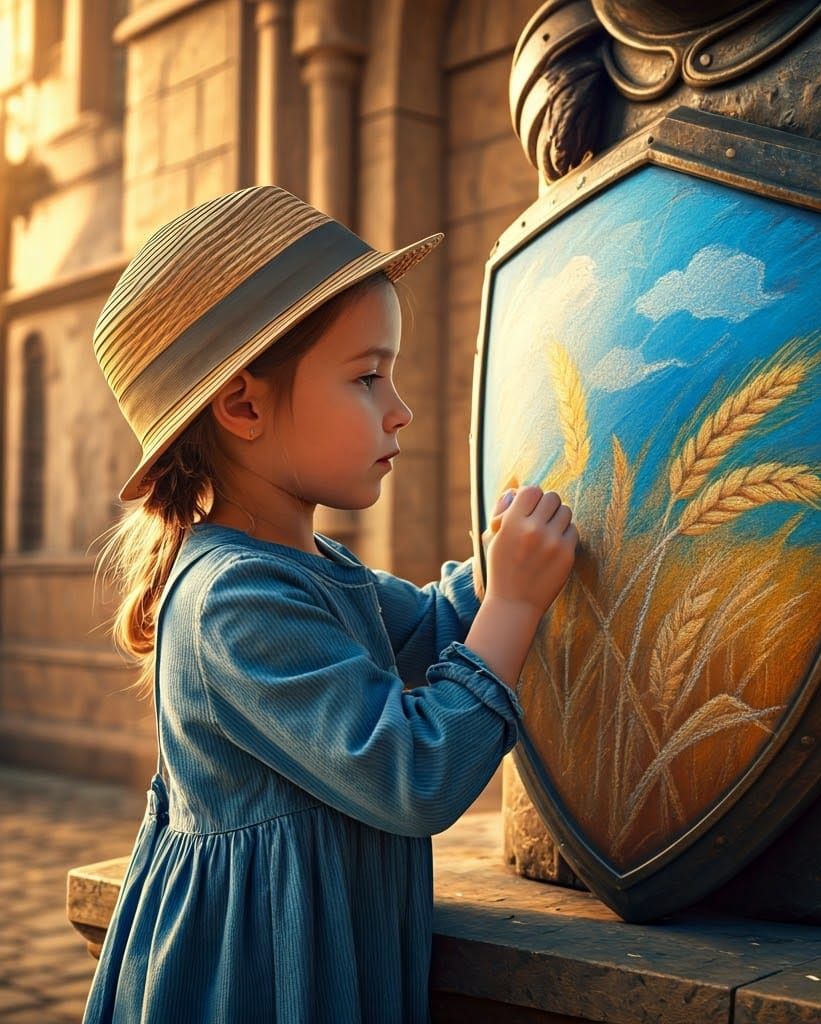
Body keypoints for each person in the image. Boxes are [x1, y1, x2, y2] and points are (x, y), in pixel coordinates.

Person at [82, 185, 578, 1023]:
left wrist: (502, 561)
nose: (400, 411)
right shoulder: (233, 599)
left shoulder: (314, 568)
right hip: (258, 986)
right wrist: (515, 605)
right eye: (367, 377)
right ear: (243, 404)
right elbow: (415, 774)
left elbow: (433, 627)